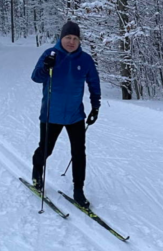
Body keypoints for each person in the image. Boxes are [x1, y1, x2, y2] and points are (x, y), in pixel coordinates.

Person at [31, 21, 101, 208]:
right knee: (46, 149)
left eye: (75, 38)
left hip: (75, 115)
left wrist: (95, 106)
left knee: (79, 153)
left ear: (79, 41)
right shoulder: (50, 54)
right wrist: (46, 67)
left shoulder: (85, 60)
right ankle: (37, 174)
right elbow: (36, 77)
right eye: (68, 38)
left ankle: (79, 190)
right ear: (61, 38)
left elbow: (94, 83)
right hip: (50, 114)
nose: (71, 41)